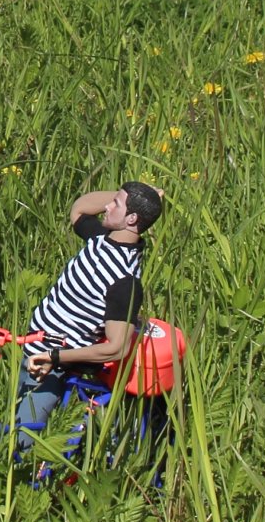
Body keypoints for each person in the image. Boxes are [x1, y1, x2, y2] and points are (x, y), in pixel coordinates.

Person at [15, 182, 163, 448]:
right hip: (33, 348)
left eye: (116, 204)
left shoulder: (125, 282)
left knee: (20, 442)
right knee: (10, 421)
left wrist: (55, 357)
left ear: (131, 219)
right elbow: (80, 209)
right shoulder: (100, 239)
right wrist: (140, 197)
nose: (106, 206)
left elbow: (117, 348)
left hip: (51, 366)